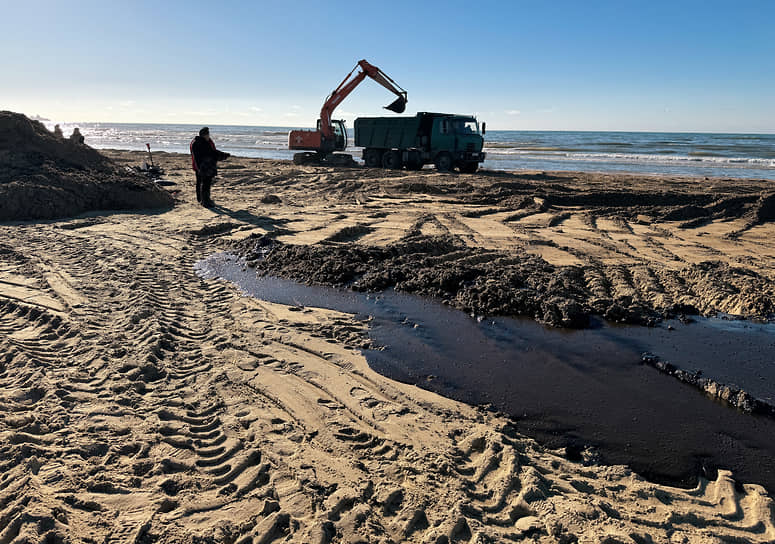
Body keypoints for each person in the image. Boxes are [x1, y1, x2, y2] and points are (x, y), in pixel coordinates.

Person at [190, 127, 230, 207]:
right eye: (208, 134)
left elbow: (211, 152)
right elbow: (212, 153)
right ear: (205, 135)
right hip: (204, 166)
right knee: (205, 184)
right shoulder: (202, 143)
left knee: (201, 183)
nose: (209, 136)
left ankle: (201, 199)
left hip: (200, 165)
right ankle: (205, 201)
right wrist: (224, 155)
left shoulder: (197, 142)